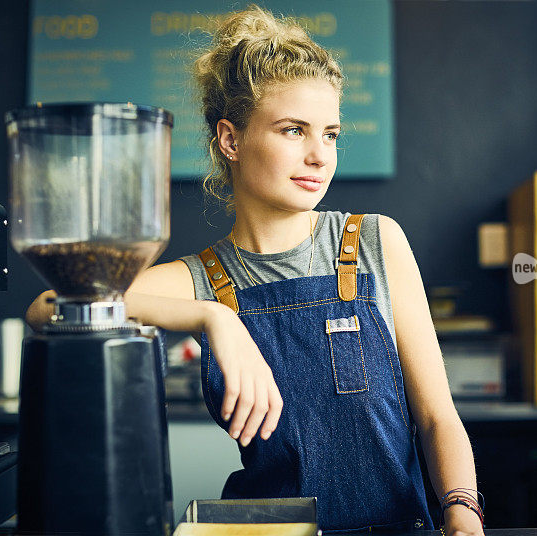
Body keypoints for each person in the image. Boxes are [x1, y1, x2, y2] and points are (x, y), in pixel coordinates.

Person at [27, 6, 484, 535]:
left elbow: (436, 418)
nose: (319, 156)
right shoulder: (203, 279)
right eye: (294, 130)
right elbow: (48, 308)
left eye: (330, 134)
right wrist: (212, 319)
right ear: (231, 140)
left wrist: (461, 513)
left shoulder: (375, 241)